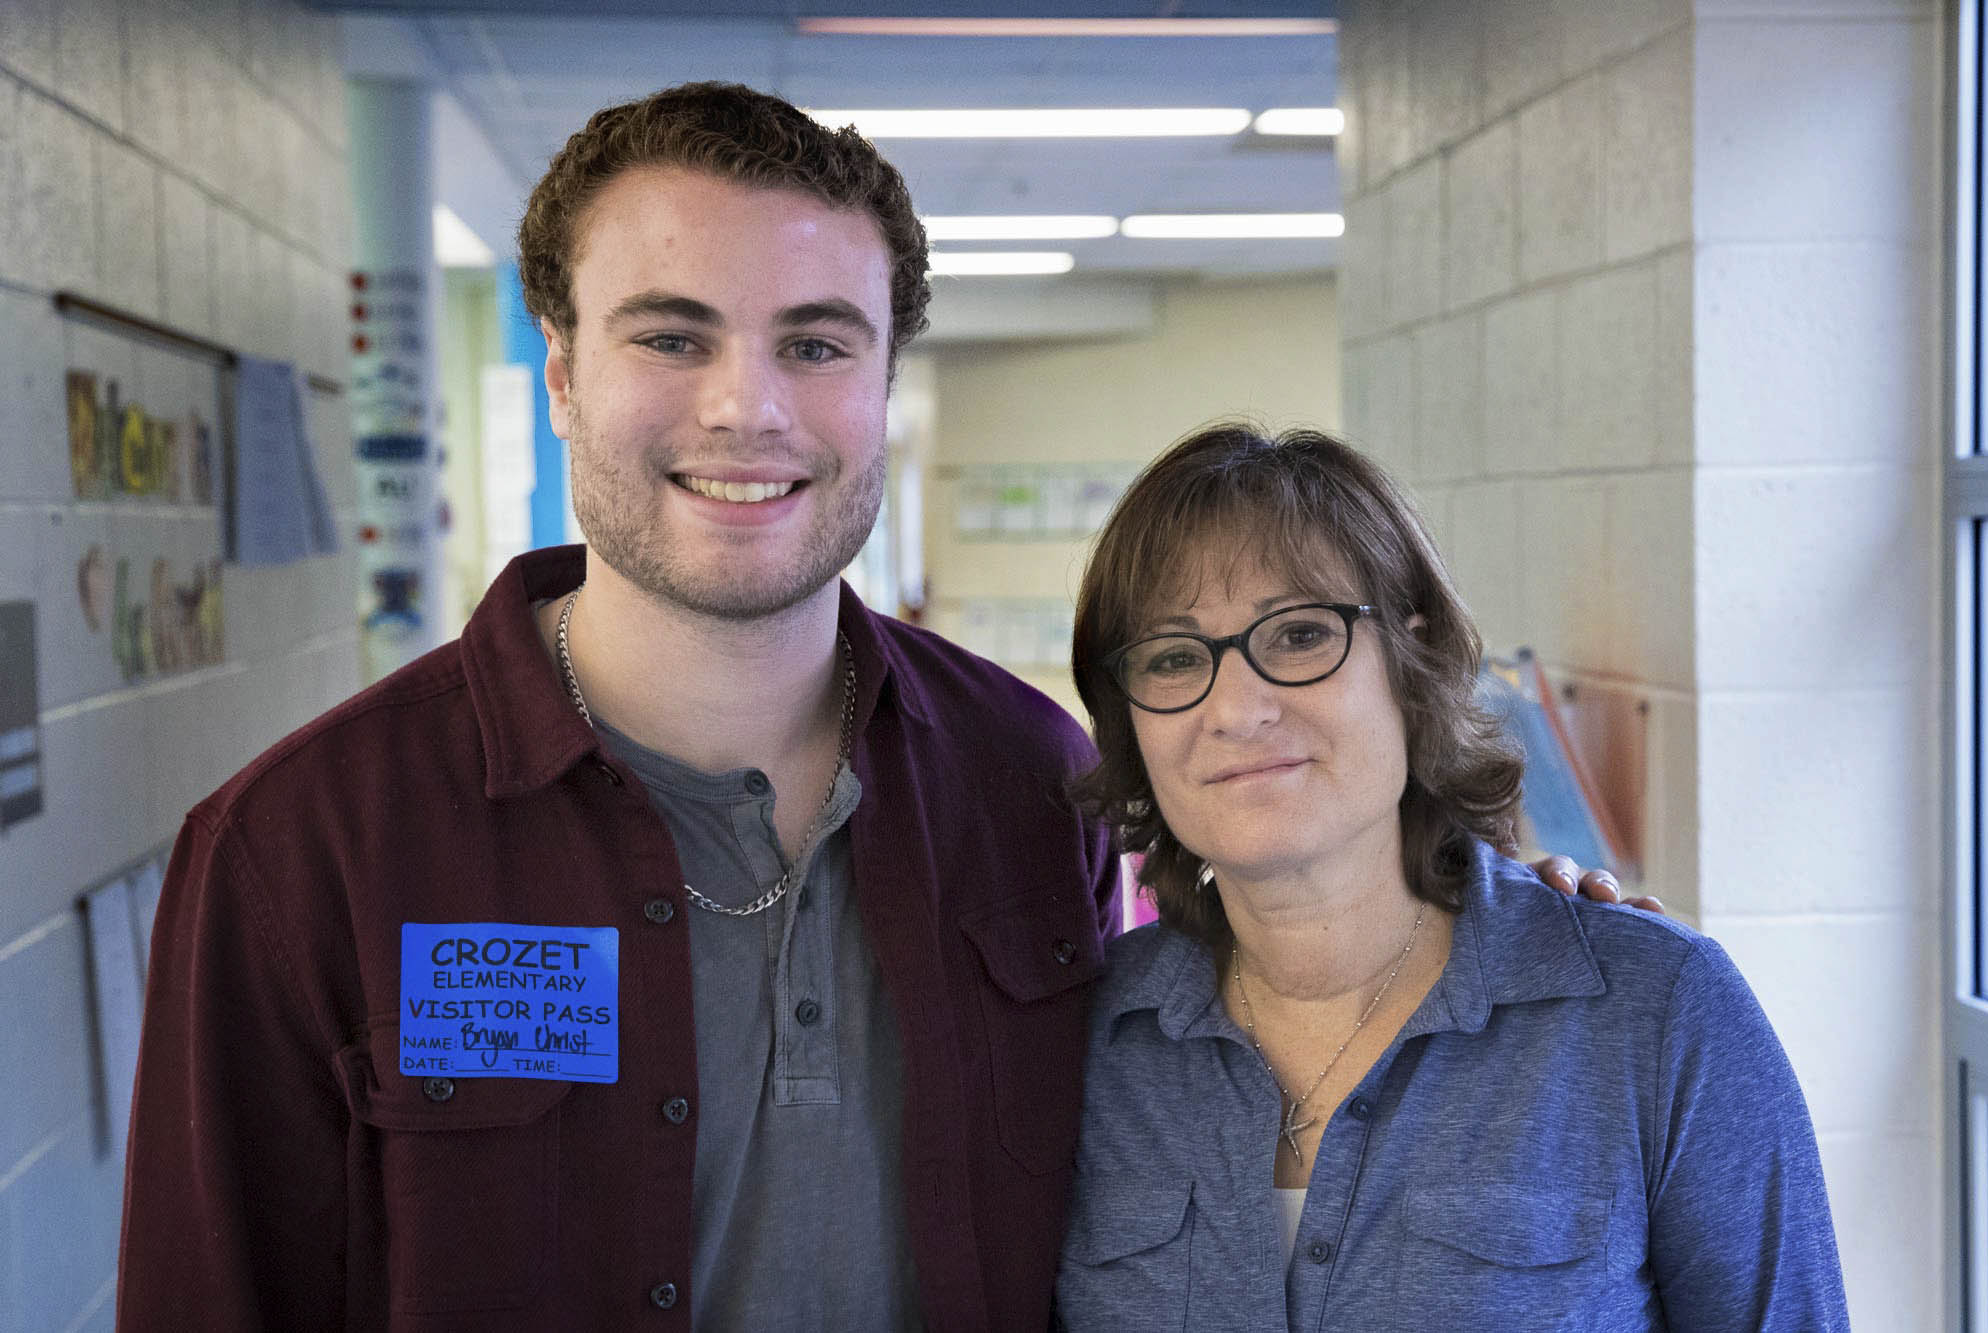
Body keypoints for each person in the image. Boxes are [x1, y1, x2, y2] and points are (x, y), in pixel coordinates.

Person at [117, 85, 1629, 1331]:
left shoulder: (1031, 779)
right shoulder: (301, 850)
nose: (746, 406)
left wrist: (1484, 913)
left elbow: (1242, 996)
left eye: (816, 342)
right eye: (671, 334)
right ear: (564, 376)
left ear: (884, 379)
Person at [1057, 423, 1847, 1331]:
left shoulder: (1655, 1012)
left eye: (1302, 633)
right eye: (1172, 656)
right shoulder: (1094, 1040)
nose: (1236, 707)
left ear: (1411, 658)